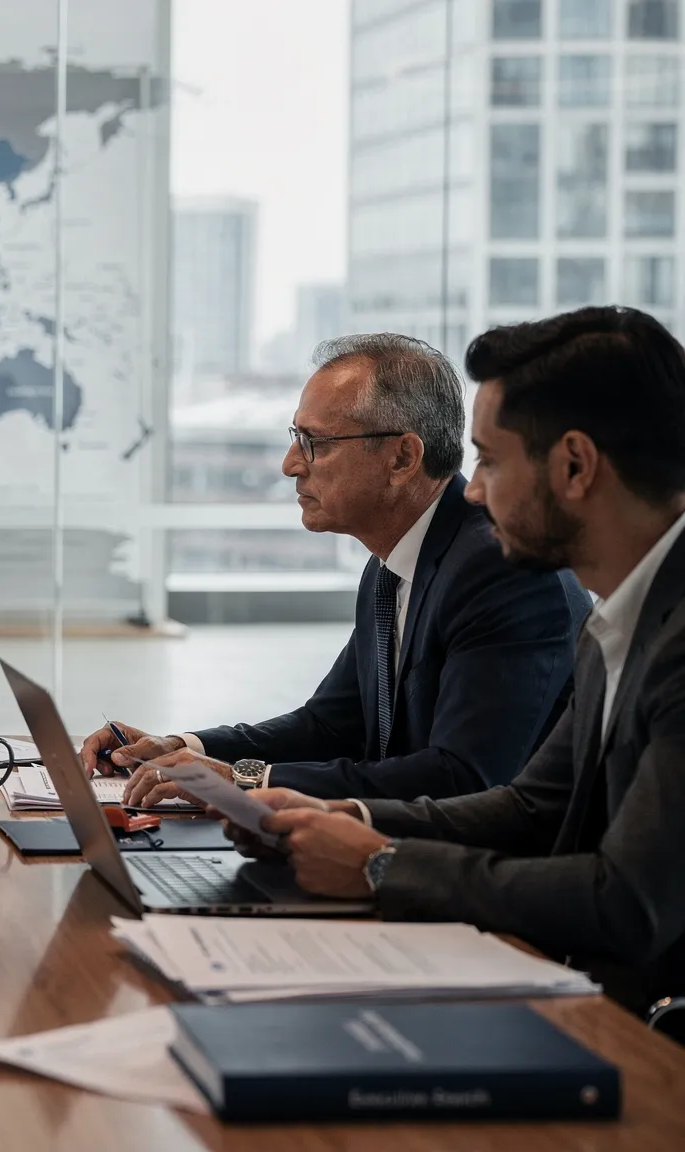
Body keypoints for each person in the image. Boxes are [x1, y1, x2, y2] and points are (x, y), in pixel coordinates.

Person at [230, 306, 685, 1012]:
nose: (472, 490)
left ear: (573, 466)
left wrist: (381, 867)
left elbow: (627, 901)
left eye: (491, 460)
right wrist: (343, 816)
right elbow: (533, 809)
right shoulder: (622, 618)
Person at [82, 334, 586, 805]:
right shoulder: (393, 562)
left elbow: (461, 778)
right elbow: (328, 726)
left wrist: (238, 780)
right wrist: (180, 747)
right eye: (295, 437)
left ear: (403, 458)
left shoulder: (503, 571)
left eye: (314, 443)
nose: (290, 464)